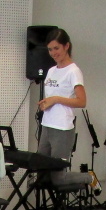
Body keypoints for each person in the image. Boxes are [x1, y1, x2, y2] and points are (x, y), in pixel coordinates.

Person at [36, 28, 94, 190]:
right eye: (50, 49)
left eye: (56, 48)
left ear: (66, 46)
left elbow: (82, 101)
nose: (53, 53)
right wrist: (46, 103)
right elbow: (53, 97)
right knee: (41, 173)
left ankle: (89, 177)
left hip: (62, 128)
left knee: (58, 178)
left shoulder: (73, 71)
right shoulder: (51, 71)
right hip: (47, 125)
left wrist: (56, 99)